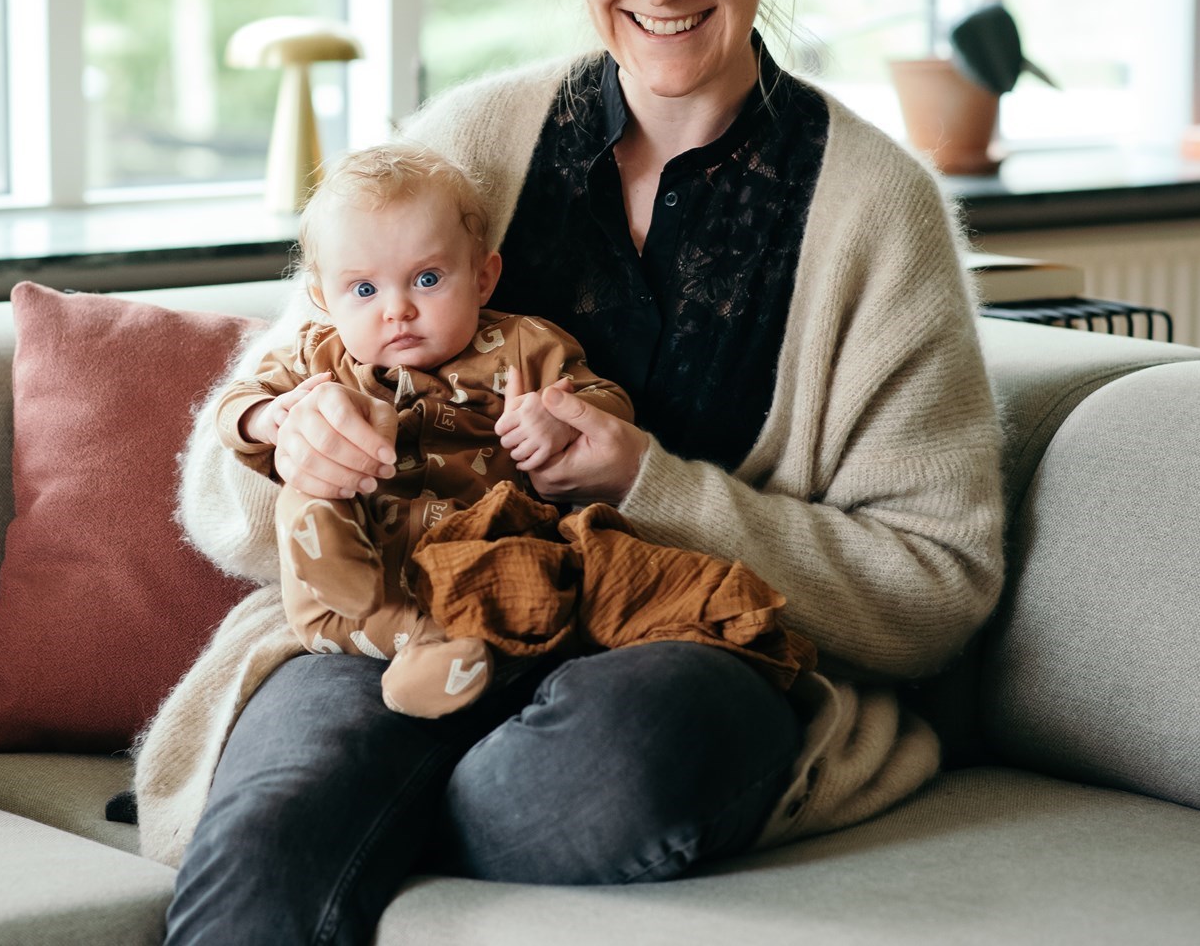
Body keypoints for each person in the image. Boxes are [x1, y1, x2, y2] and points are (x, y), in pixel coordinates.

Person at [135, 0, 1004, 946]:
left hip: (687, 661)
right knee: (274, 825)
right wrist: (288, 438)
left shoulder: (874, 211)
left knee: (592, 771)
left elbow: (932, 590)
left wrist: (652, 486)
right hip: (408, 624)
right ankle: (374, 802)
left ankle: (403, 806)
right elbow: (220, 491)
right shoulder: (466, 142)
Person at [216, 142, 811, 719]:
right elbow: (237, 404)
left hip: (478, 552)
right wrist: (273, 420)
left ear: (483, 277)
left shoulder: (522, 344)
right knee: (309, 492)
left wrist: (555, 418)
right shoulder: (316, 357)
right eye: (365, 290)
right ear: (323, 298)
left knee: (545, 577)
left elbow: (606, 403)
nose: (397, 309)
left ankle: (435, 652)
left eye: (427, 279)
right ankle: (355, 575)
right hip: (360, 556)